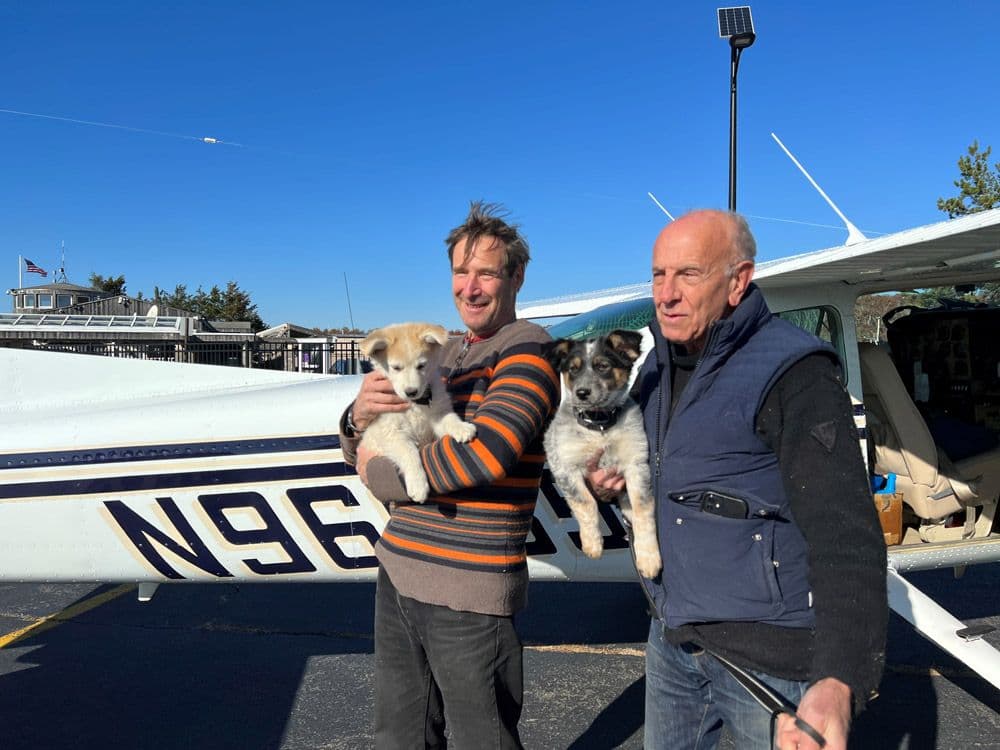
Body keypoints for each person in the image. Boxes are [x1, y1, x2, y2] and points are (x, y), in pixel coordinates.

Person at [589, 209, 887, 750]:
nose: (667, 294)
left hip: (769, 658)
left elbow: (846, 533)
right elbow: (650, 470)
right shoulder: (655, 367)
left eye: (689, 274)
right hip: (673, 635)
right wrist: (606, 482)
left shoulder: (795, 372)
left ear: (738, 281)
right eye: (658, 275)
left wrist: (839, 679)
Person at [339, 202, 559, 749]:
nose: (471, 287)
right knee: (401, 736)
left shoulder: (528, 350)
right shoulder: (447, 351)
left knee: (486, 738)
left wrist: (378, 476)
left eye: (487, 272)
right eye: (461, 272)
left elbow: (487, 454)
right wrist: (356, 418)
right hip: (400, 569)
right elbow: (363, 444)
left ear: (516, 277)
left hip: (469, 591)